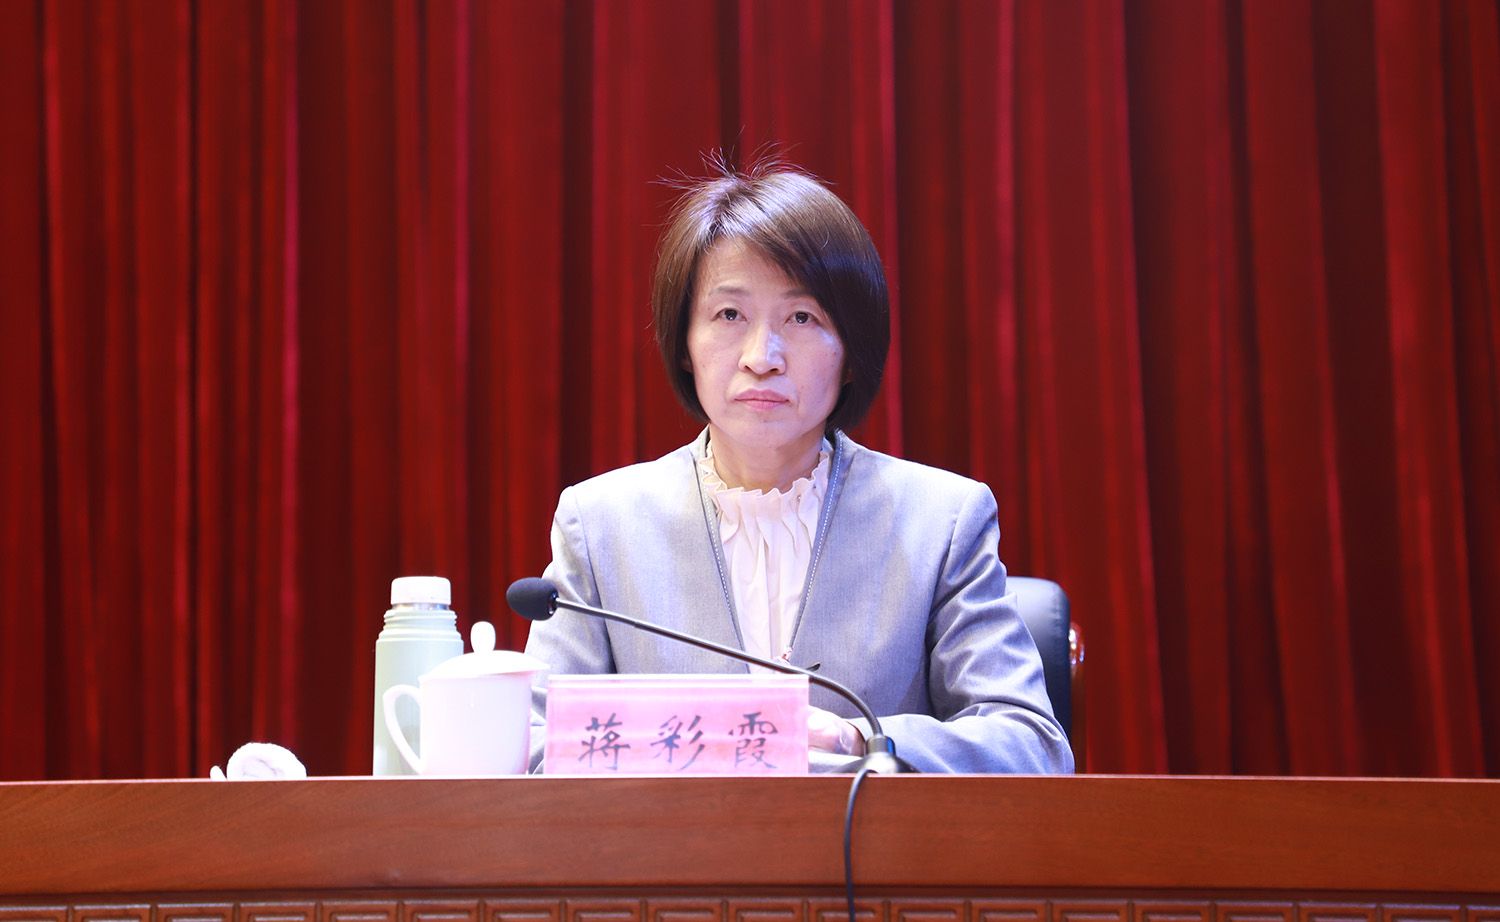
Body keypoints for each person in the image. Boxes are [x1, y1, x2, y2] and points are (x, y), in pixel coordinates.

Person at [524, 161, 1073, 774]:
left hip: (866, 837)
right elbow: (533, 750)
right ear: (684, 344)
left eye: (802, 318)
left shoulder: (941, 521)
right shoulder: (601, 525)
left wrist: (859, 739)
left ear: (851, 353)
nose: (762, 357)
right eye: (729, 315)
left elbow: (1031, 746)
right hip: (668, 839)